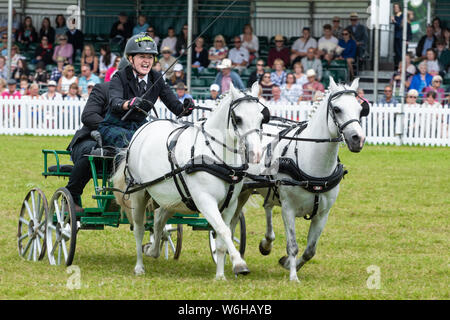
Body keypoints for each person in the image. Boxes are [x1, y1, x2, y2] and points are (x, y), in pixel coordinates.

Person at [98, 33, 193, 149]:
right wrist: (129, 104)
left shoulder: (157, 78)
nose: (147, 61)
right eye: (142, 56)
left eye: (150, 57)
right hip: (114, 126)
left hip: (140, 126)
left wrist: (186, 108)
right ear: (130, 58)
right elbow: (115, 102)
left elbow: (175, 106)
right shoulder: (119, 76)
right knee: (135, 141)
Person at [65, 81, 111, 211]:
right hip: (89, 138)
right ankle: (71, 196)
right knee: (92, 151)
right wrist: (110, 129)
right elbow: (88, 116)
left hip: (119, 144)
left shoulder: (139, 93)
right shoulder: (103, 89)